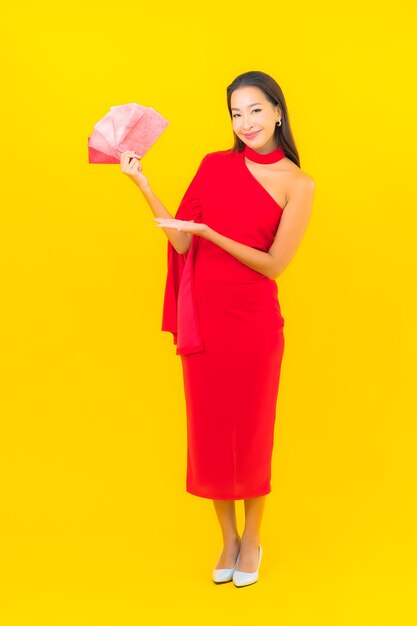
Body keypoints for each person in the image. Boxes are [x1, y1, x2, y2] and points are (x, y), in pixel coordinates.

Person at [120, 70, 315, 587]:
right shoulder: (213, 166)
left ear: (277, 111)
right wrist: (143, 183)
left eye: (255, 110)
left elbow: (274, 265)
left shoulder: (299, 184)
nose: (246, 122)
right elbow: (182, 243)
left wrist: (212, 232)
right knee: (209, 433)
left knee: (250, 433)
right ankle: (226, 539)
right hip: (205, 322)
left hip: (253, 326)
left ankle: (253, 539)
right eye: (236, 113)